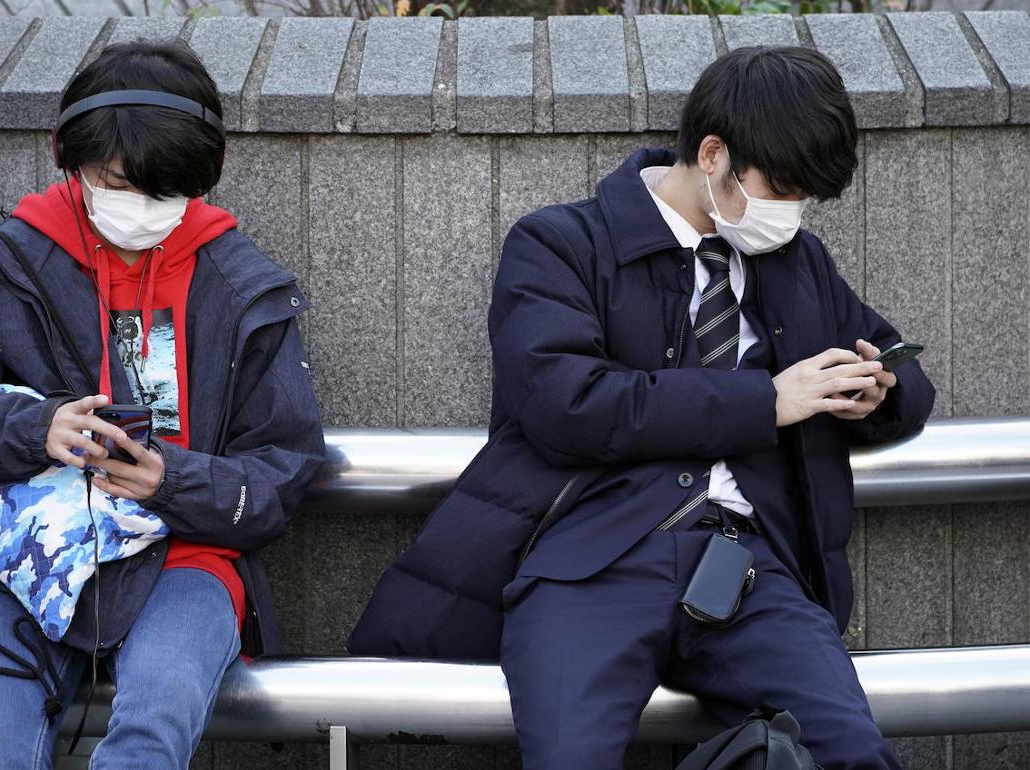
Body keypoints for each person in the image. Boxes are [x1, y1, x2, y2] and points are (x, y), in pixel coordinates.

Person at [353, 46, 934, 769]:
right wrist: (766, 400)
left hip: (749, 563)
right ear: (714, 154)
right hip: (590, 557)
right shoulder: (561, 243)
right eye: (781, 187)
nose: (791, 212)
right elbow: (565, 403)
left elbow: (894, 365)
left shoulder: (797, 260)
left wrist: (877, 393)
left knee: (851, 750)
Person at [0, 41, 325, 770]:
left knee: (149, 738)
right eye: (116, 182)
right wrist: (33, 427)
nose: (138, 208)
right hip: (26, 555)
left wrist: (171, 482)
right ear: (65, 155)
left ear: (203, 178)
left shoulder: (242, 288)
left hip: (188, 556)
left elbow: (283, 467)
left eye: (162, 191)